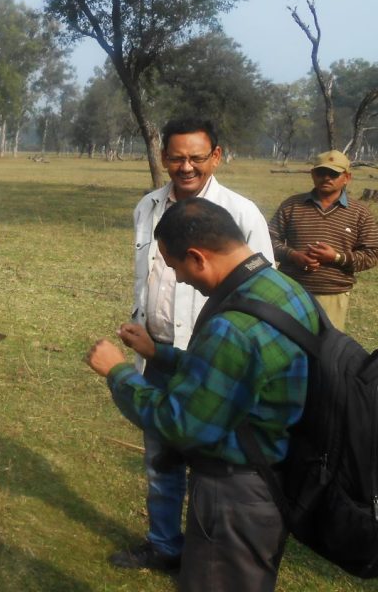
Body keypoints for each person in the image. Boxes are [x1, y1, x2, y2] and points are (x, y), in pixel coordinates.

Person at [87, 198, 316, 592]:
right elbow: (231, 376)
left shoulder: (233, 327)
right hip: (274, 474)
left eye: (174, 266)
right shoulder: (282, 289)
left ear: (197, 257)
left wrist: (118, 372)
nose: (178, 279)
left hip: (235, 492)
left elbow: (180, 423)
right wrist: (159, 353)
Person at [113, 118, 275, 572]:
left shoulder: (241, 213)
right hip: (158, 353)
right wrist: (142, 323)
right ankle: (164, 544)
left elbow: (262, 288)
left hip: (213, 360)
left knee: (212, 467)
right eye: (177, 157)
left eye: (197, 158)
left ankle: (210, 557)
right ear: (163, 157)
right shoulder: (148, 206)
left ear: (216, 157)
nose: (186, 167)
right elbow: (148, 275)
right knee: (160, 460)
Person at [268, 150, 378, 330]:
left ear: (347, 178)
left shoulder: (360, 213)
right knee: (287, 340)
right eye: (321, 172)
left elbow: (372, 254)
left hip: (333, 295)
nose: (326, 178)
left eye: (333, 174)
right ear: (313, 174)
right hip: (291, 291)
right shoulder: (292, 205)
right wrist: (293, 255)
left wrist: (336, 257)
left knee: (326, 344)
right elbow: (268, 240)